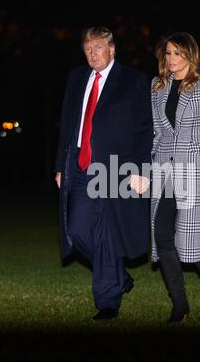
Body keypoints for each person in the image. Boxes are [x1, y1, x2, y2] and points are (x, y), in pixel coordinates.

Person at [55, 26, 152, 320]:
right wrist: (61, 165)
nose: (92, 54)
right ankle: (118, 277)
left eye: (98, 48)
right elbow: (67, 123)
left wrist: (141, 169)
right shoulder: (76, 78)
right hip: (80, 167)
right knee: (76, 231)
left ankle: (108, 300)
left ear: (112, 49)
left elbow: (145, 129)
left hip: (115, 169)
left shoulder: (133, 81)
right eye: (87, 48)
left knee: (107, 234)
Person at [151, 32, 200, 322]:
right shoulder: (157, 86)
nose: (171, 59)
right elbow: (158, 134)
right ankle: (180, 304)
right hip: (165, 171)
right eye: (168, 53)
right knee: (162, 235)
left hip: (195, 170)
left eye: (177, 53)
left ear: (190, 54)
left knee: (192, 241)